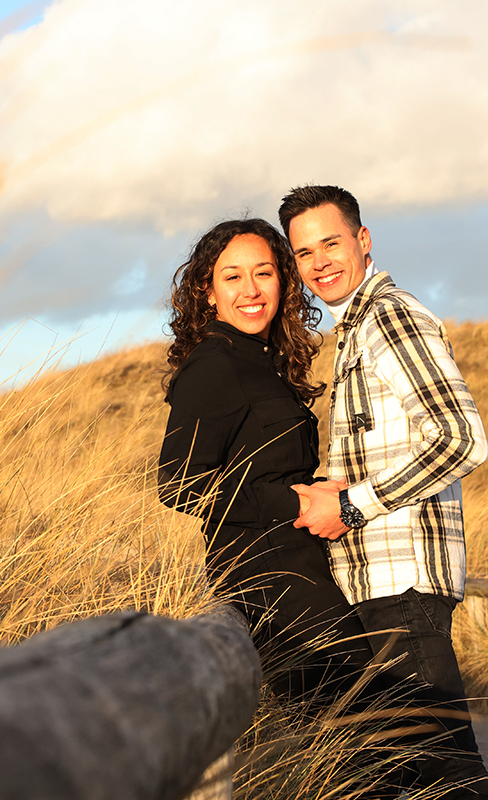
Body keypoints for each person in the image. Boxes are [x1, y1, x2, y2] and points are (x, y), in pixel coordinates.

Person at [281, 185, 488, 799]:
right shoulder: (354, 329)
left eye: (331, 242)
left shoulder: (389, 316)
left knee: (447, 775)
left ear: (363, 240)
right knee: (396, 775)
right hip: (379, 585)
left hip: (401, 586)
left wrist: (351, 506)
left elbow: (461, 440)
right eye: (304, 252)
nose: (320, 261)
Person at [157, 218, 371, 708]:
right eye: (232, 277)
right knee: (363, 723)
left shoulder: (262, 361)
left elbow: (260, 465)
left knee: (349, 738)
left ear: (284, 283)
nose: (250, 290)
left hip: (295, 562)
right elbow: (179, 484)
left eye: (264, 273)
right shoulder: (215, 364)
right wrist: (296, 497)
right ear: (207, 292)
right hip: (266, 574)